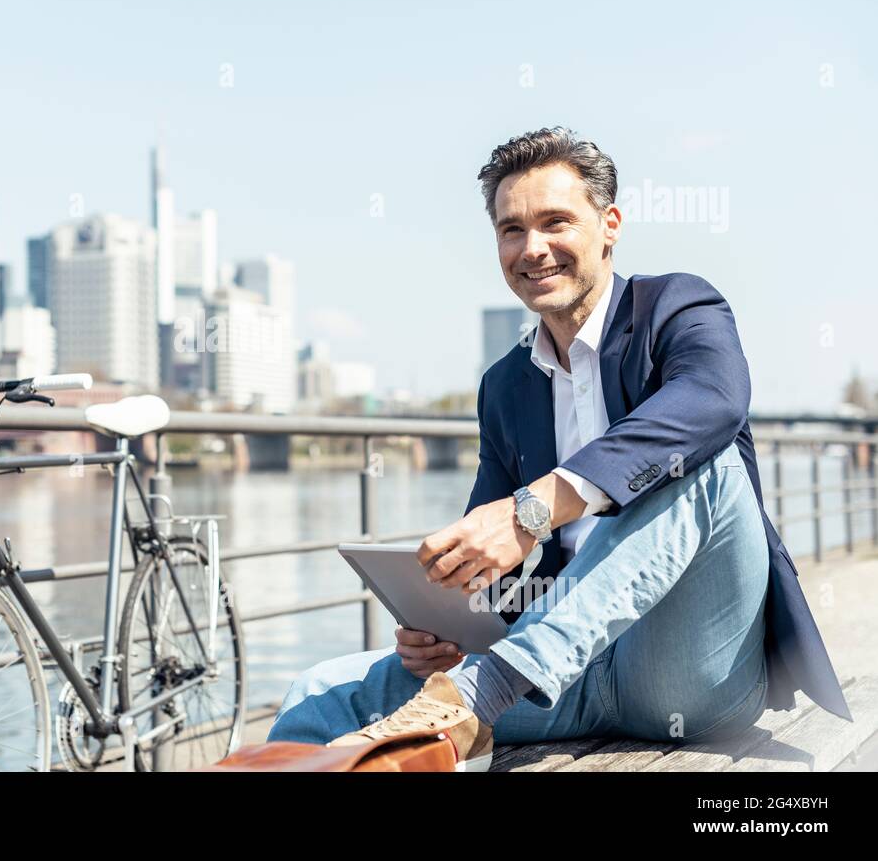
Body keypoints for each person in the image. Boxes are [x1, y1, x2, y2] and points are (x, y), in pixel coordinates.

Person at [265, 126, 851, 769]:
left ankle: (478, 696)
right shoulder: (505, 386)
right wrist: (446, 626)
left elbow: (714, 401)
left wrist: (533, 508)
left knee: (705, 462)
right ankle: (472, 692)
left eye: (555, 222)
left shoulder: (679, 307)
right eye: (511, 229)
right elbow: (495, 565)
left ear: (609, 224)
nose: (532, 248)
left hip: (685, 669)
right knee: (319, 693)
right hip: (549, 681)